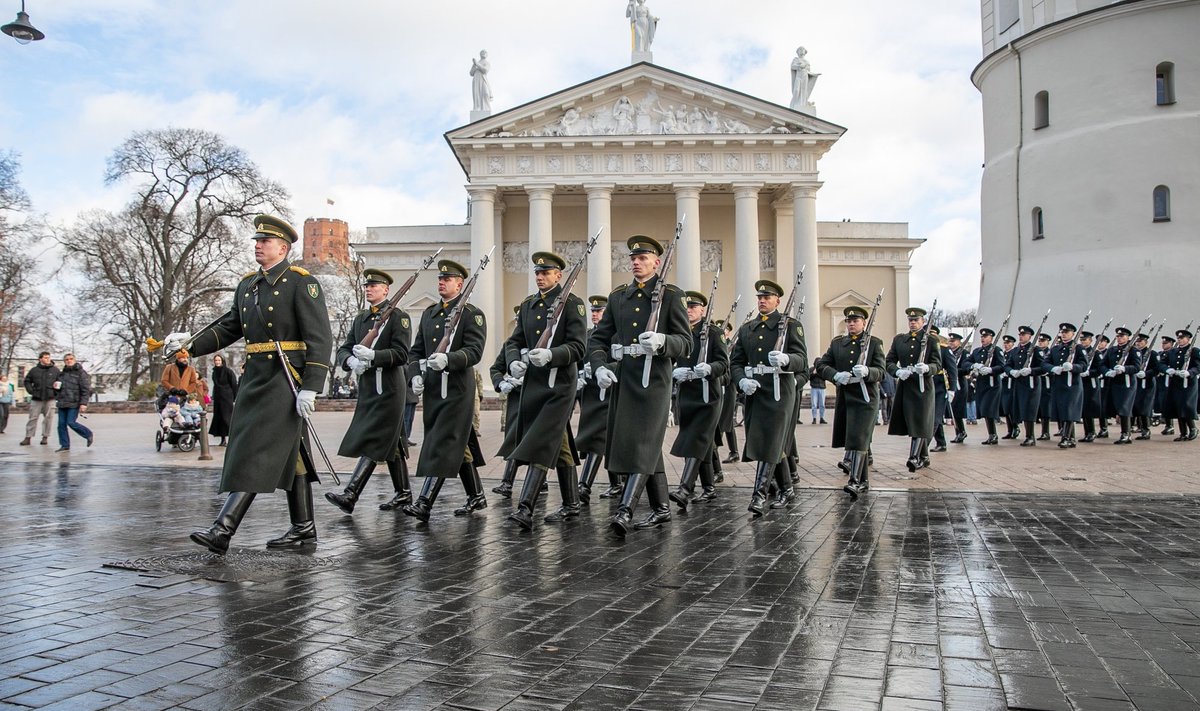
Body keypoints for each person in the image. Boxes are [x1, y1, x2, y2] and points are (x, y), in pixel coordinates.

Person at [176, 215, 333, 554]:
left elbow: (320, 337)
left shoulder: (300, 282)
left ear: (283, 248)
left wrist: (311, 385)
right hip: (256, 378)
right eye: (257, 241)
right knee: (294, 455)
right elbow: (229, 327)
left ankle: (223, 528)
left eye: (265, 241)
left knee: (256, 447)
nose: (258, 245)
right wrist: (189, 344)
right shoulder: (248, 285)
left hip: (285, 378)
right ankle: (303, 528)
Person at [586, 235, 691, 535]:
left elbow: (686, 343)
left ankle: (625, 510)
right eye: (633, 258)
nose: (636, 262)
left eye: (643, 258)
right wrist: (598, 368)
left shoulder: (671, 295)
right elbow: (598, 339)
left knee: (644, 442)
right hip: (626, 378)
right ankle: (661, 509)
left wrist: (662, 342)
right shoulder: (619, 297)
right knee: (647, 444)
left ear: (657, 263)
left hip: (654, 381)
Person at [501, 252, 587, 530]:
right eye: (537, 272)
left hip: (560, 385)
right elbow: (514, 340)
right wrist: (513, 359)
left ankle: (525, 507)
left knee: (539, 440)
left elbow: (578, 347)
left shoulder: (572, 305)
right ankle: (572, 503)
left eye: (546, 272)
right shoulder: (528, 305)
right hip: (535, 384)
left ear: (558, 275)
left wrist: (552, 355)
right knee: (558, 442)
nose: (539, 276)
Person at [402, 259, 488, 522]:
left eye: (447, 279)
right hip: (433, 389)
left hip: (458, 390)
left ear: (460, 284)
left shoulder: (472, 314)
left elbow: (474, 351)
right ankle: (476, 495)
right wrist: (415, 374)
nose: (441, 282)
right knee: (457, 444)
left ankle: (425, 502)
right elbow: (416, 351)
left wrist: (449, 360)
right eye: (440, 279)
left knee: (442, 441)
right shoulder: (429, 314)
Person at [324, 268, 414, 515]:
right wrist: (350, 361)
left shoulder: (398, 317)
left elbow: (402, 353)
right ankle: (404, 493)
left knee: (375, 438)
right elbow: (345, 347)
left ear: (386, 290)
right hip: (368, 389)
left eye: (374, 286)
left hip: (389, 388)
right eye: (367, 286)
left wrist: (374, 356)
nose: (369, 289)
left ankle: (351, 494)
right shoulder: (361, 318)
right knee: (391, 441)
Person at [730, 279, 808, 515]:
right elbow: (736, 362)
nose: (762, 301)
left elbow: (802, 360)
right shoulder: (747, 329)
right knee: (770, 441)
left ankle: (759, 495)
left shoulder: (790, 325)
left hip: (779, 390)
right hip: (756, 390)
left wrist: (787, 360)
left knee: (771, 440)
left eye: (767, 297)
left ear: (778, 300)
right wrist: (742, 380)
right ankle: (786, 489)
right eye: (760, 298)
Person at [815, 306, 886, 498]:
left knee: (859, 437)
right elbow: (821, 365)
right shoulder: (838, 344)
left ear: (864, 323)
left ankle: (855, 481)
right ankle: (863, 482)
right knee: (853, 437)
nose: (851, 324)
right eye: (848, 321)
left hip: (865, 396)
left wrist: (868, 372)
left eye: (855, 321)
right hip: (846, 395)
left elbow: (881, 371)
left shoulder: (874, 343)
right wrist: (835, 375)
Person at [667, 290, 729, 510]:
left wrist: (709, 368)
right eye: (686, 307)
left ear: (702, 309)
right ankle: (709, 488)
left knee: (695, 440)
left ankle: (685, 488)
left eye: (693, 307)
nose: (689, 311)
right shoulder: (680, 333)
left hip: (707, 396)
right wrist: (674, 371)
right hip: (687, 395)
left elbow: (723, 364)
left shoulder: (713, 332)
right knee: (701, 441)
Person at [886, 307, 942, 470]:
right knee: (912, 422)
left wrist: (927, 368)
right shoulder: (899, 340)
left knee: (921, 421)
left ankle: (915, 456)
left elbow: (937, 364)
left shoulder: (931, 340)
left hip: (923, 386)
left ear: (923, 322)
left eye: (916, 320)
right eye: (910, 320)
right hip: (906, 385)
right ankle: (923, 456)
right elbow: (888, 361)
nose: (913, 323)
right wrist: (897, 371)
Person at [576, 296, 618, 504]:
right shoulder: (588, 335)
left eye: (599, 311)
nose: (594, 314)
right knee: (602, 438)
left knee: (598, 437)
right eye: (593, 311)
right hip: (590, 392)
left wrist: (604, 368)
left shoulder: (616, 335)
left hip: (609, 390)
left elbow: (621, 362)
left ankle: (584, 485)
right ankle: (617, 483)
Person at [1043, 322, 1086, 448]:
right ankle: (1071, 438)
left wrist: (1073, 366)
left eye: (1066, 332)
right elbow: (1045, 363)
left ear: (1073, 334)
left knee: (1069, 410)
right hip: (1059, 384)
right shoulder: (1055, 349)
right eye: (1062, 332)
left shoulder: (1079, 348)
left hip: (1072, 385)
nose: (1064, 335)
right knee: (1063, 411)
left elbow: (1084, 365)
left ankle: (1066, 437)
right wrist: (1053, 368)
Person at [1004, 325, 1045, 446]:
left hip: (1031, 384)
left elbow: (1043, 367)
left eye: (1023, 335)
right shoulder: (1015, 350)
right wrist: (1011, 371)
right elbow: (1007, 365)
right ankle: (1026, 434)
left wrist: (1031, 371)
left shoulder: (1036, 350)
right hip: (1019, 384)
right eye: (1020, 335)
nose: (1021, 337)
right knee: (1021, 409)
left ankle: (1030, 436)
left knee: (1029, 410)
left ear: (1029, 336)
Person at [1102, 326, 1142, 445]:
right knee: (1117, 408)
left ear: (1128, 337)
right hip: (1114, 382)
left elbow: (1137, 367)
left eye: (1122, 336)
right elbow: (1103, 364)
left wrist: (1124, 368)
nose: (1119, 338)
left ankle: (1126, 434)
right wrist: (1107, 371)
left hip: (1127, 383)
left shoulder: (1134, 351)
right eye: (1118, 336)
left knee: (1125, 408)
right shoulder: (1112, 350)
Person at [1160, 328, 1199, 441]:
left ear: (1188, 339)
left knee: (1186, 406)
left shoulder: (1194, 351)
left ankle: (1193, 428)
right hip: (1176, 382)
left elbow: (1198, 366)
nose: (1180, 340)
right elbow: (1162, 364)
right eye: (1179, 338)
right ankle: (1183, 433)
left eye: (1182, 338)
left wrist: (1189, 372)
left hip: (1188, 383)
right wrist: (1167, 369)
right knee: (1178, 406)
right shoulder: (1172, 352)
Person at [969, 327, 1005, 444]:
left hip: (992, 385)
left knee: (988, 409)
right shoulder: (977, 351)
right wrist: (975, 365)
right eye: (982, 337)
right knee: (984, 410)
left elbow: (1002, 366)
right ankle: (991, 435)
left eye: (985, 337)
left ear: (991, 338)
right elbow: (966, 362)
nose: (983, 338)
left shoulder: (996, 350)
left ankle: (993, 435)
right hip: (981, 385)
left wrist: (990, 369)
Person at [53, 353, 93, 452]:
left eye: (71, 359)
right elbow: (57, 389)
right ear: (64, 362)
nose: (69, 361)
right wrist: (55, 389)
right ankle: (64, 445)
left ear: (74, 360)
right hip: (62, 402)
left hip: (74, 402)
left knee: (71, 422)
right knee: (61, 425)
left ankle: (88, 434)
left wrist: (83, 403)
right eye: (66, 359)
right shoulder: (62, 374)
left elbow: (86, 389)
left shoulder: (81, 373)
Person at [928, 326, 959, 453]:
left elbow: (952, 370)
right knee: (935, 417)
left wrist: (952, 389)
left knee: (934, 418)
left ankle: (921, 447)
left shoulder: (944, 349)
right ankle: (941, 442)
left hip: (939, 387)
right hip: (926, 385)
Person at [20, 351, 58, 446]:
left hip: (50, 398)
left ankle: (45, 437)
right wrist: (31, 391)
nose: (47, 359)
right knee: (32, 418)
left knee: (48, 418)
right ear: (40, 359)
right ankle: (28, 437)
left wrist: (56, 392)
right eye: (45, 357)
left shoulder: (55, 370)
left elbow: (60, 383)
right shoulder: (34, 370)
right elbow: (27, 381)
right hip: (37, 397)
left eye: (48, 357)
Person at [208, 354, 238, 446]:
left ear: (222, 361)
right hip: (218, 397)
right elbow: (215, 385)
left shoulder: (228, 371)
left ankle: (232, 437)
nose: (217, 362)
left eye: (219, 360)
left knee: (227, 418)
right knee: (219, 418)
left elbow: (233, 384)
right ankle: (223, 438)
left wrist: (234, 397)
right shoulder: (214, 372)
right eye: (216, 360)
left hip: (227, 397)